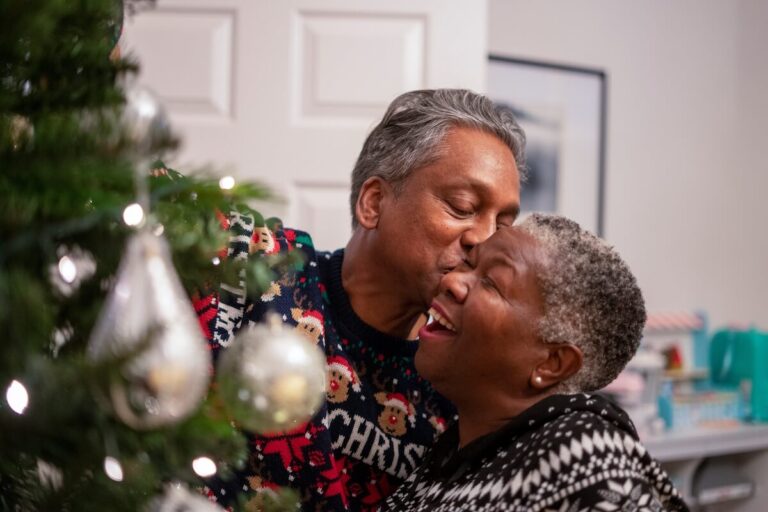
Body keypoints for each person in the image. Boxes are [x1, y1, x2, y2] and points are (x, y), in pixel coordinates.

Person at [198, 89, 526, 511]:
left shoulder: (460, 389)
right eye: (463, 207)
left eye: (502, 223)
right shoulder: (252, 265)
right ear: (374, 203)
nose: (483, 239)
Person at [381, 214, 689, 512]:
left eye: (490, 282)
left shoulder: (584, 454)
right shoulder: (452, 453)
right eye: (469, 264)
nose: (452, 281)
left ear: (552, 363)